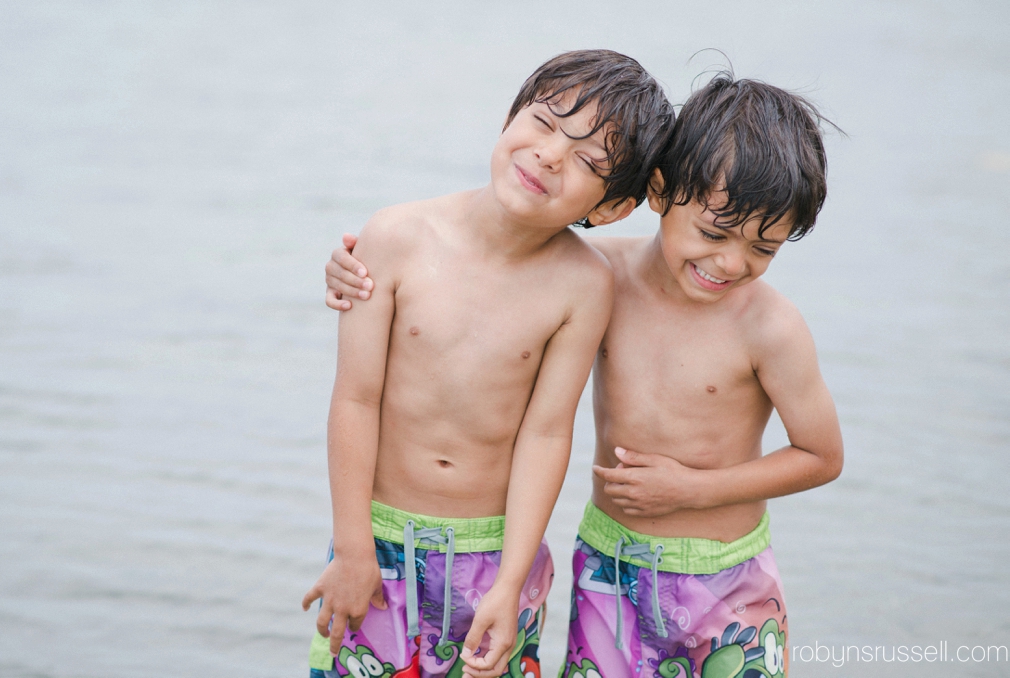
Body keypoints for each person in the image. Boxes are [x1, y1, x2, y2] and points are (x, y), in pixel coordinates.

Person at [321, 74, 843, 678]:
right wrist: (351, 271)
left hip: (726, 579)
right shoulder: (599, 277)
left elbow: (822, 455)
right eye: (713, 233)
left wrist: (691, 490)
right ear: (656, 193)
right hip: (608, 567)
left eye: (765, 248)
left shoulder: (770, 326)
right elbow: (488, 281)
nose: (731, 262)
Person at [299, 50, 673, 678]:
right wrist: (355, 545)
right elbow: (355, 398)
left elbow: (547, 430)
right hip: (377, 542)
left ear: (610, 208)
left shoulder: (583, 284)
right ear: (509, 117)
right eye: (546, 122)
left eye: (588, 161)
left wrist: (512, 578)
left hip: (493, 556)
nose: (552, 155)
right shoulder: (395, 237)